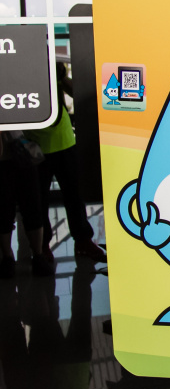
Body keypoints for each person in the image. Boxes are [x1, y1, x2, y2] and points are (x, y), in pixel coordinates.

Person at [25, 62, 106, 263]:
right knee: (38, 201)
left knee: (75, 195)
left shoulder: (51, 68)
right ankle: (42, 246)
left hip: (65, 142)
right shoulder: (23, 72)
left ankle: (83, 241)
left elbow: (74, 93)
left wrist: (60, 77)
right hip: (35, 146)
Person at [0, 131, 55, 277]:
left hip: (21, 152)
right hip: (17, 152)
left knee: (32, 207)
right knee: (6, 211)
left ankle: (34, 255)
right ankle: (11, 257)